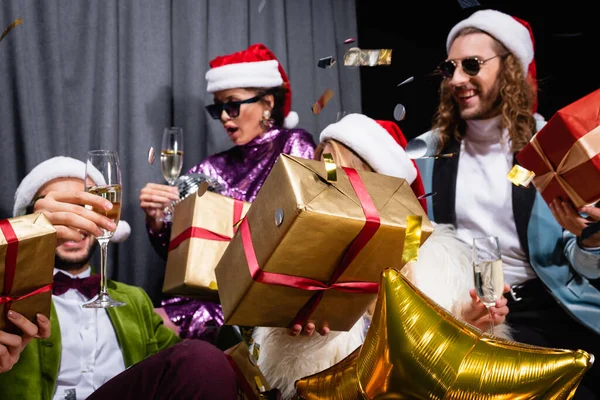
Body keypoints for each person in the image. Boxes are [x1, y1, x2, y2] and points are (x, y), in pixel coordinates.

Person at [251, 113, 511, 399]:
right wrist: (296, 343)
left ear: (377, 184)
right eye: (323, 170)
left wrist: (469, 323)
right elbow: (277, 372)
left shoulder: (438, 262)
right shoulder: (302, 256)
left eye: (338, 171)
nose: (327, 183)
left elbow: (461, 371)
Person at [413, 9, 600, 398]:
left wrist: (592, 238)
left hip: (545, 308)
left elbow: (582, 267)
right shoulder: (425, 155)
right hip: (460, 310)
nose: (458, 79)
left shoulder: (552, 149)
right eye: (451, 68)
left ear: (510, 69)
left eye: (472, 65)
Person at [139, 43, 316, 341]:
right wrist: (158, 220)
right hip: (206, 299)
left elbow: (305, 232)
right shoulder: (210, 167)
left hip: (264, 300)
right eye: (217, 107)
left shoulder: (293, 146)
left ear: (268, 104)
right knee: (137, 321)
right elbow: (181, 253)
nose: (223, 116)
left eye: (232, 104)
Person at [0, 156, 181, 400]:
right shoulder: (9, 297)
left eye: (86, 206)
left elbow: (179, 365)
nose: (73, 219)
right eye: (59, 208)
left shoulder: (134, 299)